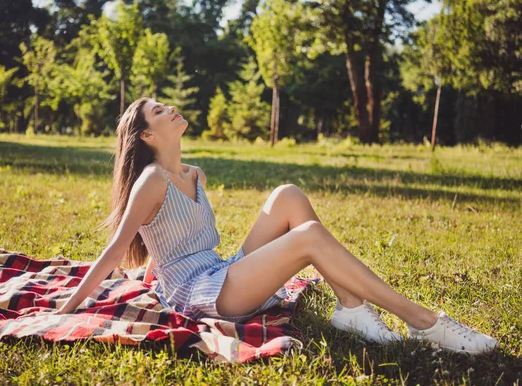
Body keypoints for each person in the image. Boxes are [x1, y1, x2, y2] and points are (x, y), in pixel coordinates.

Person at [54, 97, 498, 355]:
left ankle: (352, 310)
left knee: (287, 194)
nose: (170, 107)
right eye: (157, 110)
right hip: (206, 294)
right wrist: (68, 307)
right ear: (147, 136)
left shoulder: (194, 174)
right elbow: (118, 248)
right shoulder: (151, 180)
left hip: (220, 272)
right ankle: (424, 322)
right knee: (307, 238)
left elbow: (171, 239)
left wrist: (155, 272)